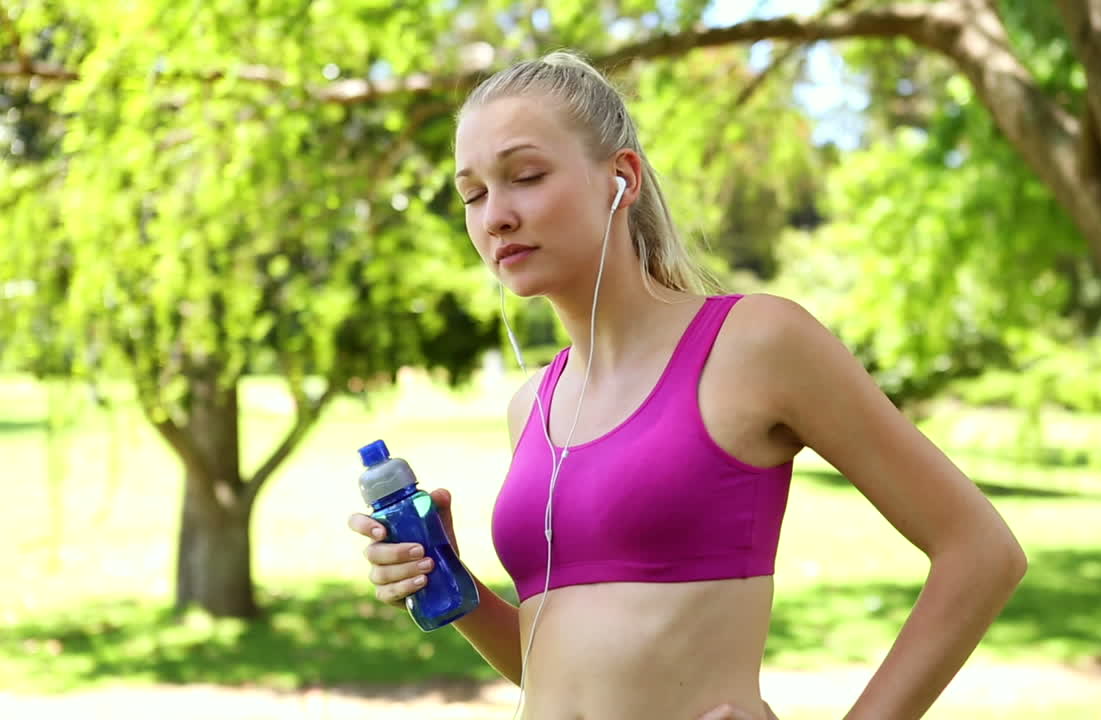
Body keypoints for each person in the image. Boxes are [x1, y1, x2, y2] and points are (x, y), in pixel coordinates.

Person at [347, 49, 1027, 720]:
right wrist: (450, 582)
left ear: (621, 178)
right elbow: (559, 670)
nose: (494, 215)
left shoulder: (756, 343)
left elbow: (980, 552)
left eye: (525, 176)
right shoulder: (531, 408)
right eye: (472, 194)